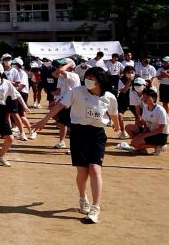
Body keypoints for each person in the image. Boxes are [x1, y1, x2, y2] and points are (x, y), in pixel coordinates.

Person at [32, 66, 119, 224]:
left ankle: (96, 207)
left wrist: (116, 125)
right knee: (82, 172)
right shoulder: (77, 92)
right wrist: (44, 120)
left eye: (92, 78)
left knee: (95, 169)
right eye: (87, 77)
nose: (88, 80)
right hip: (79, 133)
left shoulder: (109, 97)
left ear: (100, 81)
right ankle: (82, 197)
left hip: (97, 134)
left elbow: (113, 113)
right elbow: (59, 105)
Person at [122, 88, 169, 154]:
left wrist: (144, 135)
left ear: (154, 98)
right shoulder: (145, 108)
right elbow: (146, 124)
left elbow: (161, 129)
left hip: (160, 135)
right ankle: (141, 147)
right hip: (150, 131)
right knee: (128, 127)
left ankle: (159, 146)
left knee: (134, 143)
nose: (144, 99)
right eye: (144, 97)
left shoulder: (160, 110)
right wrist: (143, 132)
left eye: (147, 97)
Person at [52, 59, 81, 150]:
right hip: (64, 102)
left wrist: (69, 64)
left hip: (73, 103)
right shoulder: (62, 76)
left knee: (73, 125)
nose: (60, 66)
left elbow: (60, 70)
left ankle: (74, 146)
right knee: (62, 123)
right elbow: (54, 74)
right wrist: (56, 96)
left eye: (63, 65)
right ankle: (62, 142)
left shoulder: (73, 75)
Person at [115, 66, 136, 139]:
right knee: (119, 115)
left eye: (132, 72)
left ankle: (136, 131)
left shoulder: (137, 80)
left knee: (138, 116)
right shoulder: (121, 80)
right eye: (128, 72)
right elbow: (124, 90)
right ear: (124, 73)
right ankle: (123, 132)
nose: (130, 74)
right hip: (122, 99)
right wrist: (129, 82)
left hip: (133, 100)